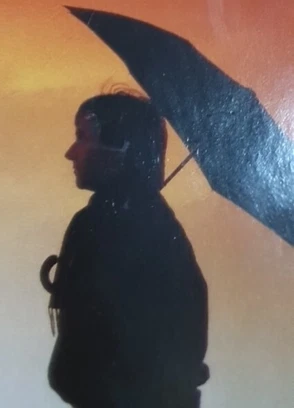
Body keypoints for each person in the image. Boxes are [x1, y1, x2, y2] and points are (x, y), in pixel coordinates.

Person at [41, 92, 209, 408]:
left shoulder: (108, 227)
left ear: (120, 148)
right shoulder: (153, 229)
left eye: (83, 137)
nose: (71, 153)